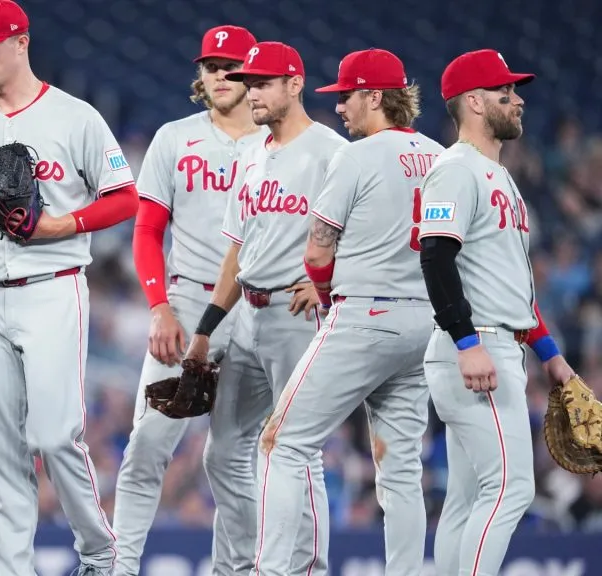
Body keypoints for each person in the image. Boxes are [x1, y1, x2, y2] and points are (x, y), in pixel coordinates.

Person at [0, 1, 139, 574]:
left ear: (22, 42)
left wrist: (61, 224)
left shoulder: (75, 117)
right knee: (0, 453)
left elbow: (124, 197)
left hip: (54, 285)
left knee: (57, 435)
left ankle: (100, 551)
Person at [252, 48, 443, 575]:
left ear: (376, 96)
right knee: (400, 469)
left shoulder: (355, 156)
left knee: (282, 443)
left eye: (348, 96)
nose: (340, 108)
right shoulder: (440, 155)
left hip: (365, 316)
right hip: (424, 322)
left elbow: (317, 252)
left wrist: (319, 284)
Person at [110, 24, 265, 576]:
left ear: (253, 73)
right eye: (210, 66)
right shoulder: (175, 137)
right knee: (147, 445)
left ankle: (237, 569)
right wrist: (159, 308)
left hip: (256, 312)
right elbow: (148, 231)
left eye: (230, 65)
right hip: (185, 304)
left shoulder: (278, 144)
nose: (220, 75)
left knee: (231, 459)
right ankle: (120, 566)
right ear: (199, 76)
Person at [184, 41, 340, 576]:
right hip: (246, 315)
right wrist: (206, 328)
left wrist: (327, 281)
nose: (252, 91)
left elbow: (368, 232)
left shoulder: (329, 152)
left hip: (296, 319)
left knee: (297, 450)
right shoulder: (252, 153)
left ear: (295, 85)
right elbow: (236, 248)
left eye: (265, 83)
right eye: (250, 83)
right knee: (224, 452)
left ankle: (308, 569)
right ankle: (247, 565)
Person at [417, 49, 574, 576]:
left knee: (467, 499)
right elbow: (435, 258)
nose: (518, 99)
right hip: (476, 349)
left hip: (496, 343)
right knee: (511, 487)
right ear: (475, 102)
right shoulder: (456, 168)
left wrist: (550, 355)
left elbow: (510, 286)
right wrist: (467, 342)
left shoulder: (498, 177)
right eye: (506, 92)